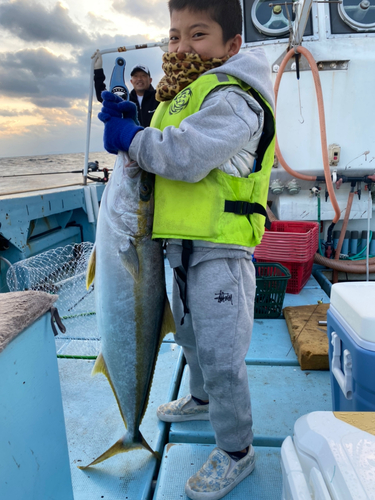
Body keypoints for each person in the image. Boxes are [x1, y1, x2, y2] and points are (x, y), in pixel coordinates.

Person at [98, 0, 275, 498]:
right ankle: (199, 398)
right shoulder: (184, 95)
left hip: (221, 253)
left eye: (198, 35)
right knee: (192, 340)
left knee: (221, 355)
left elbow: (187, 154)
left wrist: (134, 138)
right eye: (175, 36)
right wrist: (135, 122)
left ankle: (237, 450)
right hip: (179, 252)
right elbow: (162, 149)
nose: (182, 47)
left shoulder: (236, 98)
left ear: (232, 45)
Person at [91, 50, 158, 127]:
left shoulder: (160, 98)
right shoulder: (125, 100)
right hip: (133, 139)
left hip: (156, 138)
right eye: (135, 76)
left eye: (143, 75)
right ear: (131, 81)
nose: (139, 78)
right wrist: (98, 69)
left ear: (150, 80)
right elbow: (104, 97)